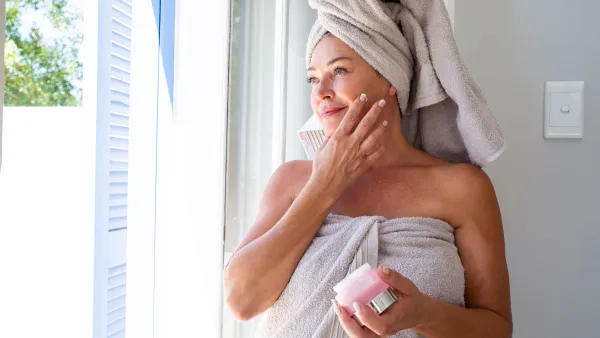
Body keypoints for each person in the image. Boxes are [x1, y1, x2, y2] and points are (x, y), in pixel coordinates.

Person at [224, 1, 512, 337]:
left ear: (391, 78)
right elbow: (241, 300)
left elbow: (497, 329)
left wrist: (423, 314)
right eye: (312, 79)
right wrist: (324, 185)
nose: (321, 93)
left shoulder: (462, 187)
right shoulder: (292, 180)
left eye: (339, 71)